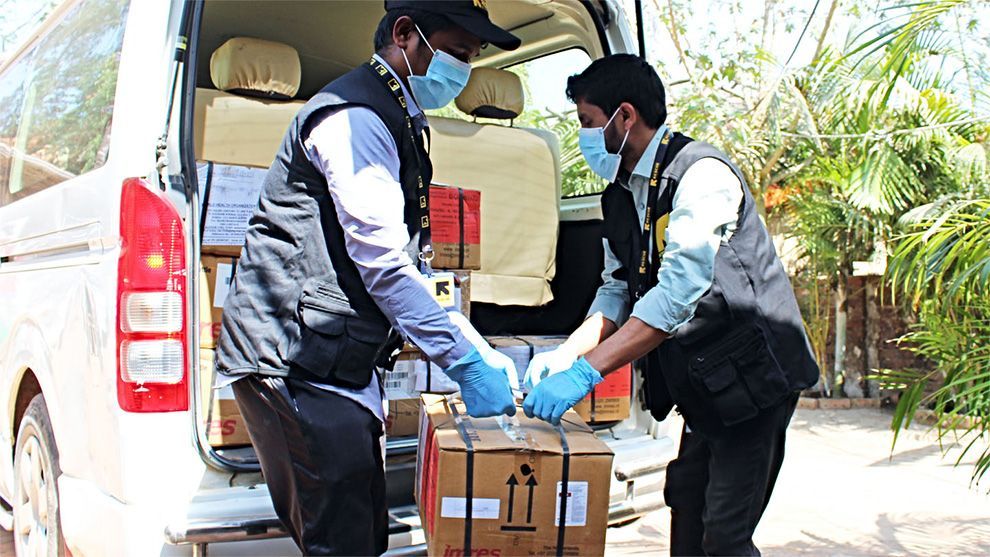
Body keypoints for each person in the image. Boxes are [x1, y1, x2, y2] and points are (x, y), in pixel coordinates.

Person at [215, 2, 521, 555]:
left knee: (359, 535)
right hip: (293, 360)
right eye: (455, 54)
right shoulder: (355, 116)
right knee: (344, 542)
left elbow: (406, 260)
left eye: (470, 62)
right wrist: (464, 362)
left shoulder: (396, 114)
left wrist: (470, 341)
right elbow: (382, 263)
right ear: (405, 34)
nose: (461, 73)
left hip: (334, 361)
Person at [522, 54, 819, 556]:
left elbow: (679, 293)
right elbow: (616, 286)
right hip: (705, 381)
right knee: (684, 499)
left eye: (588, 124)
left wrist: (587, 373)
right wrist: (566, 354)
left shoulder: (700, 175)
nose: (585, 138)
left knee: (725, 535)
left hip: (753, 381)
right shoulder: (619, 195)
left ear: (625, 116)